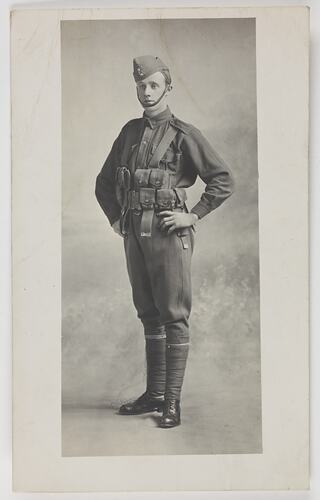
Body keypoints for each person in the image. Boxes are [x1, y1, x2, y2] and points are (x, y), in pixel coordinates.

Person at [95, 55, 234, 428]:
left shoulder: (184, 133)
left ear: (167, 87)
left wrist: (193, 215)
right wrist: (115, 218)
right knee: (148, 313)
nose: (146, 90)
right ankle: (154, 394)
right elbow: (104, 182)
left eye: (154, 84)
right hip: (134, 234)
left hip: (168, 234)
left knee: (173, 315)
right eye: (141, 85)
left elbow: (222, 179)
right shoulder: (128, 132)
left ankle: (171, 401)